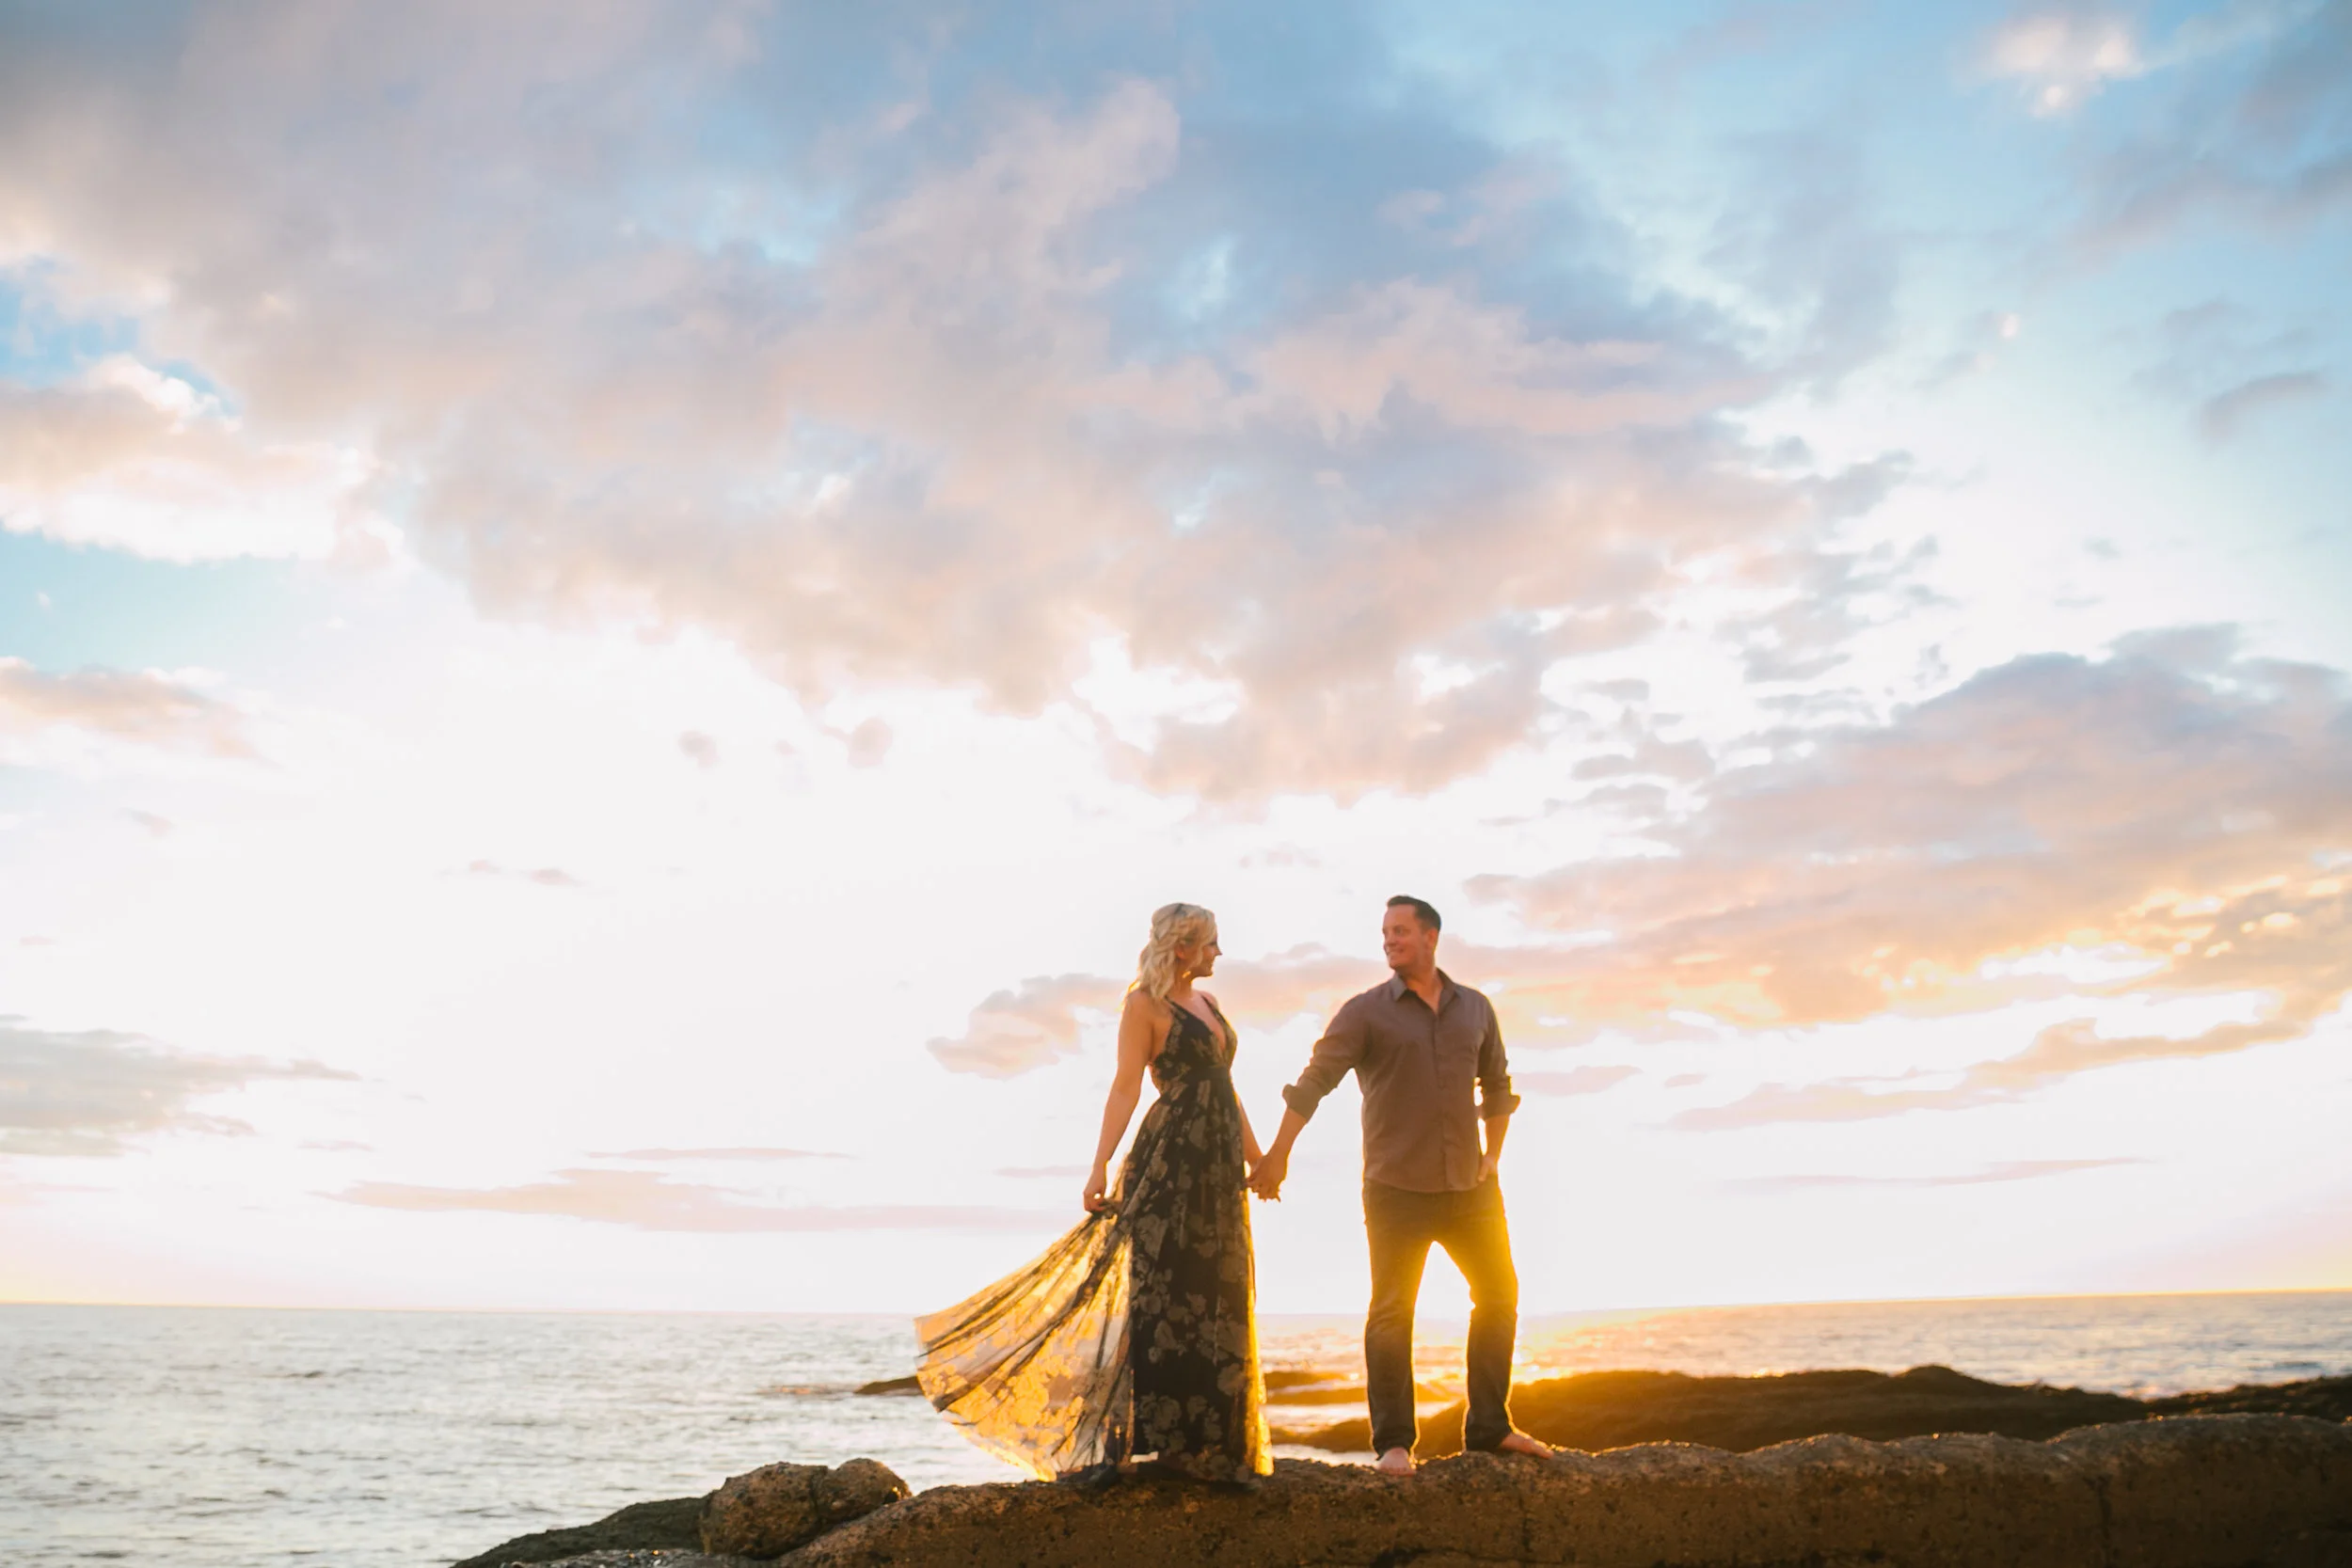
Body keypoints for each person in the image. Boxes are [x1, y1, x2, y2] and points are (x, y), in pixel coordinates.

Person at [914, 902, 1272, 1483]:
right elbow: (1126, 1086)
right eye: (1209, 943)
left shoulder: (1210, 1005)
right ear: (1180, 947)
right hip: (1170, 1161)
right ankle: (1171, 1447)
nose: (1218, 954)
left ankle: (1212, 1444)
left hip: (1218, 1170)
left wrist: (1259, 1160)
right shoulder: (1143, 1005)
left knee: (1219, 1293)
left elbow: (1224, 1089)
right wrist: (1099, 1165)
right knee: (1167, 1296)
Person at [1250, 895, 1552, 1476]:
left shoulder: (1477, 1009)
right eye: (1385, 932)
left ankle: (1489, 1427)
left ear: (1431, 937)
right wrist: (1278, 1155)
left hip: (1471, 1188)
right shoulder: (1365, 1013)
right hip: (1395, 1189)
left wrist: (1494, 1155)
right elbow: (1313, 1083)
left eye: (1401, 931)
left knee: (1499, 1296)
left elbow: (1497, 1085)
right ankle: (1394, 1444)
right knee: (1392, 1312)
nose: (1390, 941)